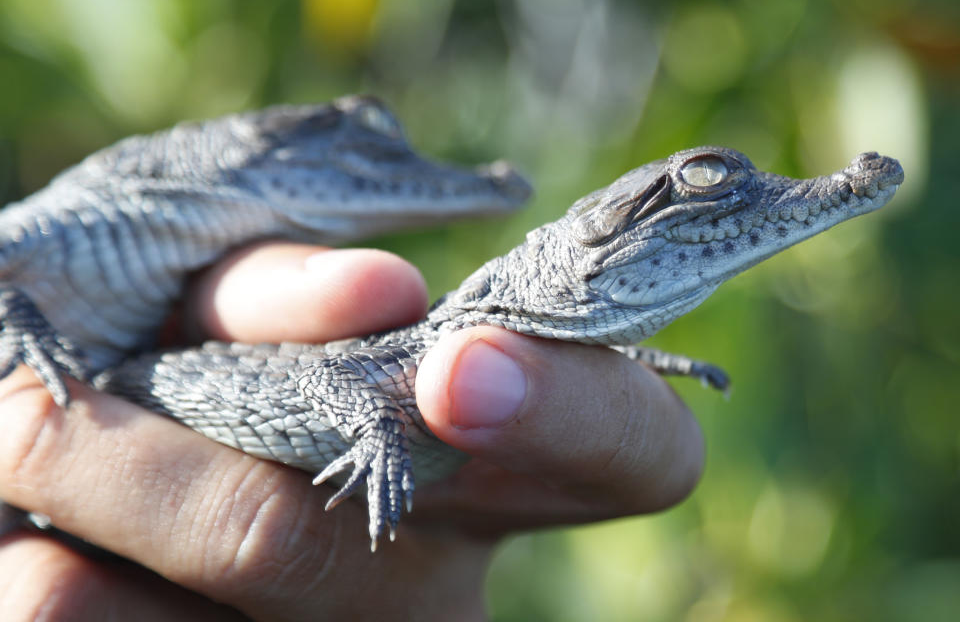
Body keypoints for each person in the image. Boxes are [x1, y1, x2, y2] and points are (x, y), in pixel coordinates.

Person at [0, 242, 704, 620]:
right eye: (706, 181)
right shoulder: (426, 350)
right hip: (117, 406)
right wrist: (379, 433)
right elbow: (322, 380)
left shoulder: (482, 353)